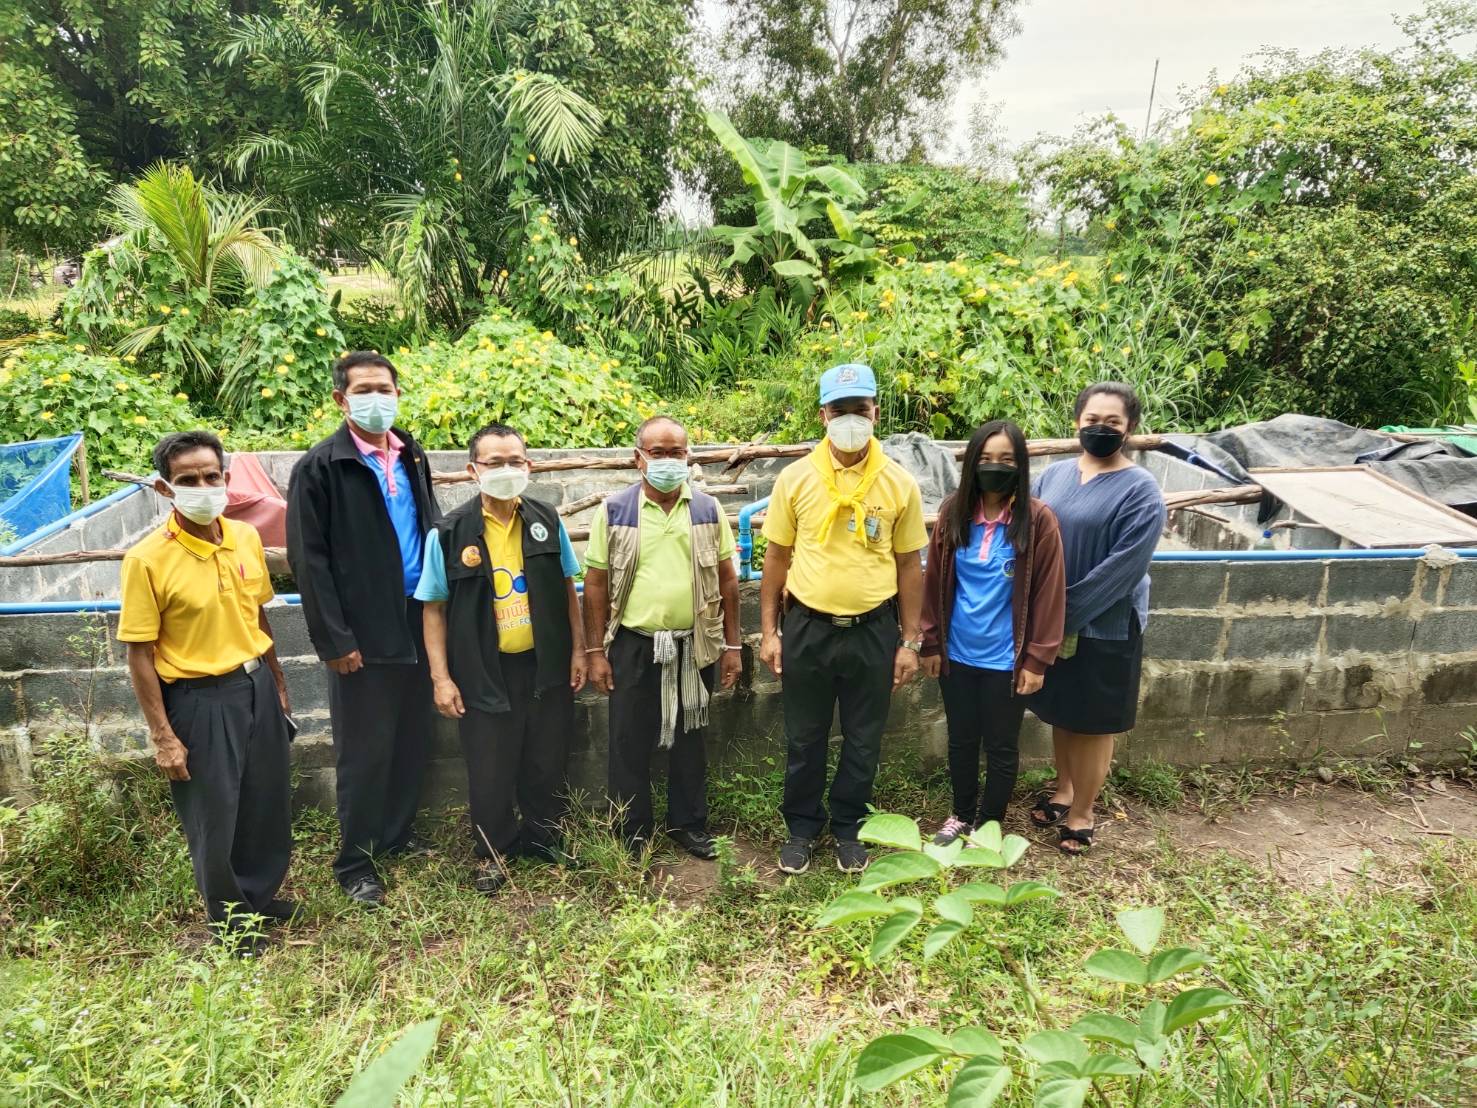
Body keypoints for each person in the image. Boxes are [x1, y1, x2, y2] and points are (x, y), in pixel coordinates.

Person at [119, 431, 294, 952]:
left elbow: (257, 611)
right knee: (215, 815)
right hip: (200, 698)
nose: (202, 486)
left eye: (210, 476)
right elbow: (139, 654)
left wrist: (277, 681)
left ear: (226, 479)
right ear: (164, 488)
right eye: (187, 480)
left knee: (266, 801)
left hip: (254, 684)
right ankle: (232, 923)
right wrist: (163, 736)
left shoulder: (243, 539)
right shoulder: (147, 559)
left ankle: (259, 896)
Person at [286, 351, 442, 906]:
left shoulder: (411, 455)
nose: (378, 398)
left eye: (386, 388)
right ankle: (356, 861)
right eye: (365, 389)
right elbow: (310, 561)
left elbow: (431, 528)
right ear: (341, 399)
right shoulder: (321, 467)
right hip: (361, 628)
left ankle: (397, 835)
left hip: (416, 616)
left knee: (409, 735)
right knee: (364, 747)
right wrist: (334, 639)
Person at [759, 364, 928, 875]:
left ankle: (850, 826)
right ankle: (802, 828)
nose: (851, 419)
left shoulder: (899, 483)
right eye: (840, 410)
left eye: (860, 409)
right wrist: (769, 632)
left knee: (863, 737)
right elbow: (776, 557)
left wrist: (910, 641)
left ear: (876, 412)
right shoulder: (796, 478)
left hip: (874, 630)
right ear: (823, 415)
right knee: (804, 737)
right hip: (808, 628)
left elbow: (908, 564)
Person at [415, 422, 587, 895]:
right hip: (481, 672)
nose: (506, 470)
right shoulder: (449, 533)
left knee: (546, 759)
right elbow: (433, 608)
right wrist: (441, 678)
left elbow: (570, 591)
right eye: (495, 462)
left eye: (515, 461)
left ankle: (544, 838)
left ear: (528, 466)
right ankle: (492, 853)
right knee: (490, 767)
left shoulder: (546, 519)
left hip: (543, 666)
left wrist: (577, 649)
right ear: (474, 470)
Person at [582, 416, 742, 859]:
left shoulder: (708, 510)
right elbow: (594, 583)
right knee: (628, 740)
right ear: (639, 459)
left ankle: (688, 825)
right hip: (634, 644)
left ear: (688, 457)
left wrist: (733, 646)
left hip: (695, 645)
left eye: (677, 452)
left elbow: (729, 582)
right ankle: (632, 831)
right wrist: (596, 651)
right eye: (659, 452)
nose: (669, 460)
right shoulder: (615, 511)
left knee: (690, 736)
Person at [1027, 382, 1167, 857]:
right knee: (1062, 713)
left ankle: (1083, 811)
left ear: (1130, 428)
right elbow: (1028, 536)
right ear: (1077, 422)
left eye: (1112, 423)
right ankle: (1064, 789)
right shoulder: (1052, 476)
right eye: (1092, 421)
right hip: (1053, 622)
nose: (1101, 429)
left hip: (1105, 625)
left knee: (1093, 724)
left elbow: (1124, 568)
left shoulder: (1140, 490)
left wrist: (1058, 612)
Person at [919, 420, 1067, 845]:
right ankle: (962, 814)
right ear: (971, 464)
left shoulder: (1038, 522)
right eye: (985, 459)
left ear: (1020, 465)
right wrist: (930, 642)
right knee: (962, 740)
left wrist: (1037, 659)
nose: (994, 467)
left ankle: (989, 823)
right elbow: (933, 585)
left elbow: (1049, 594)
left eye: (1005, 459)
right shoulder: (953, 513)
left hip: (1007, 659)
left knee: (1001, 746)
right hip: (958, 655)